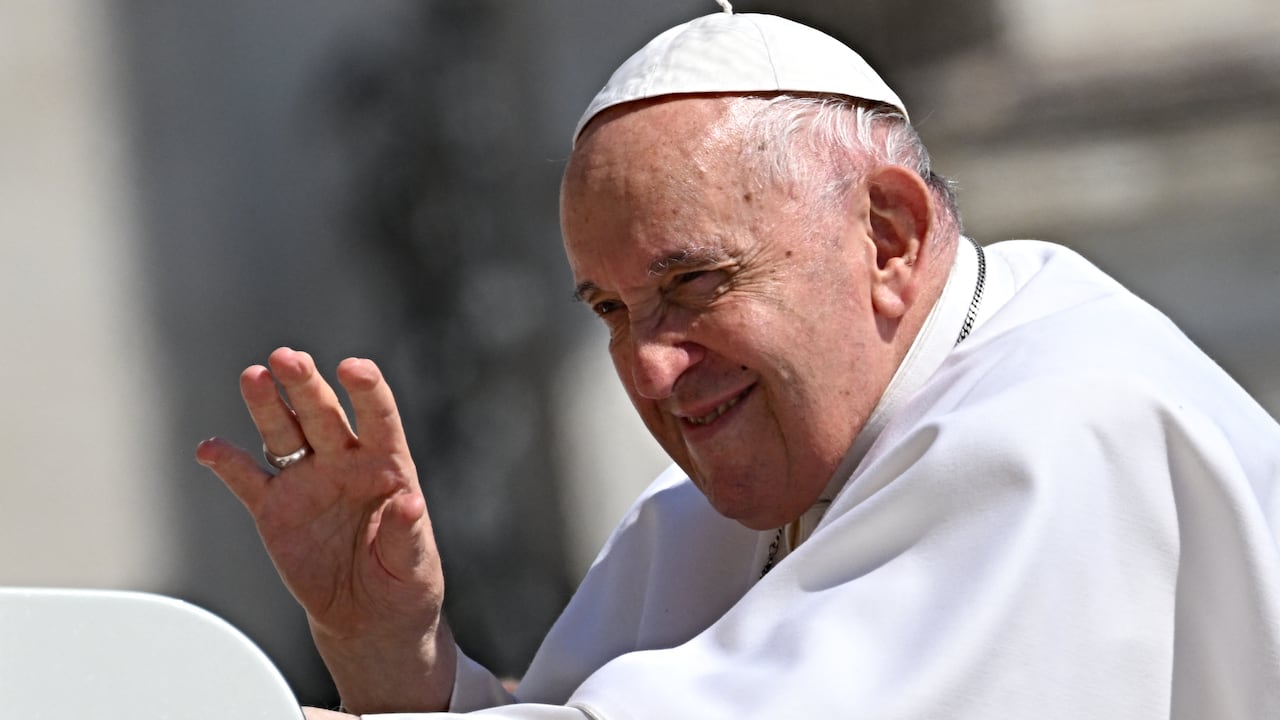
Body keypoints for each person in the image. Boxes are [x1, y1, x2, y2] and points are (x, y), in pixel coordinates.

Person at [196, 8, 1280, 719]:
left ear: (889, 239)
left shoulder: (1062, 433)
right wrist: (389, 644)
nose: (652, 370)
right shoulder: (708, 515)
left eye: (692, 287)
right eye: (611, 311)